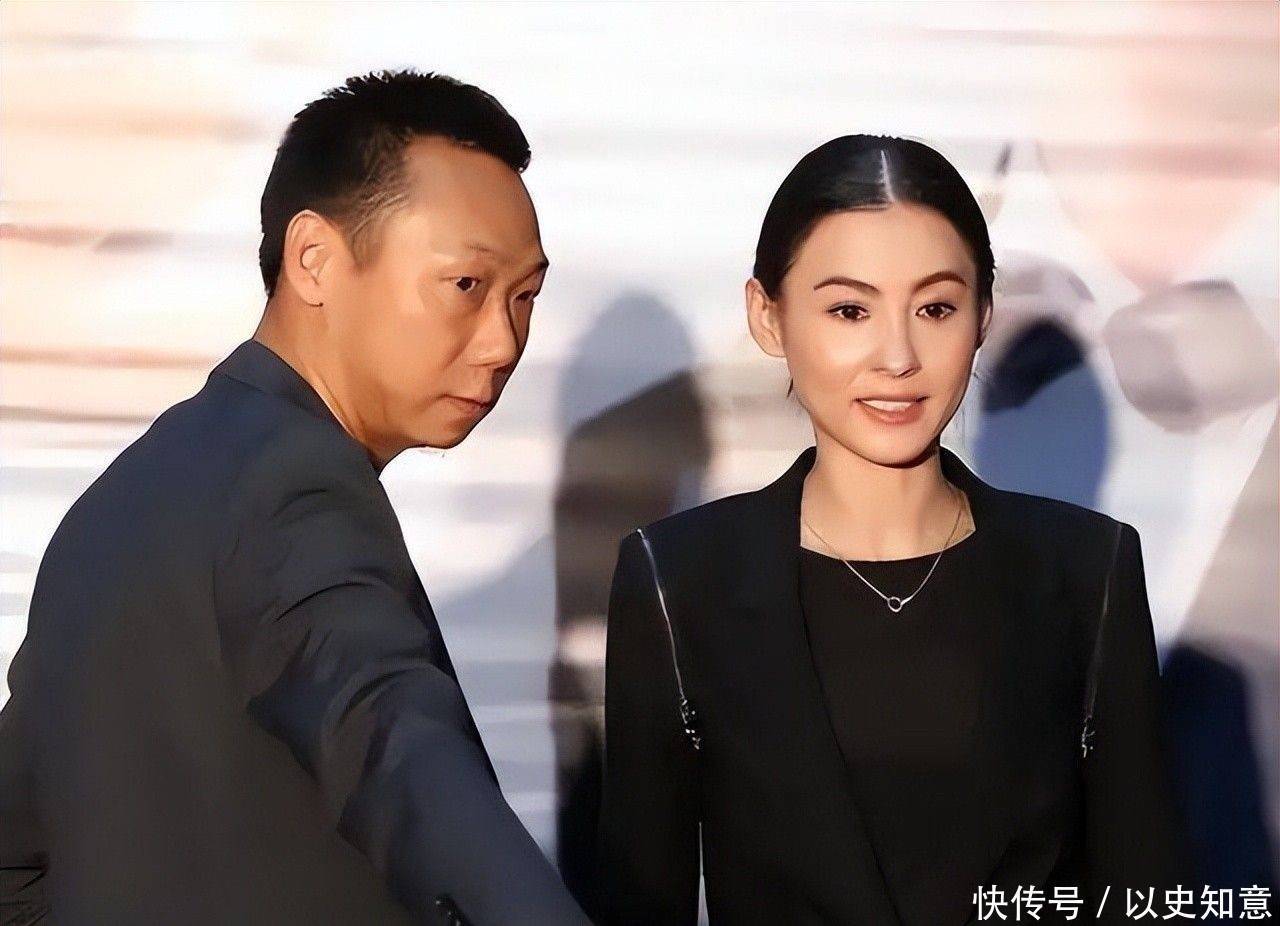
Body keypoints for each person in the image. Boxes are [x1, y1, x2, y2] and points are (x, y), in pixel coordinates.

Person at [0, 69, 588, 925]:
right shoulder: (294, 486)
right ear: (314, 259)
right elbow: (392, 742)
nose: (502, 341)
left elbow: (16, 860)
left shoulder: (118, 502)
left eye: (525, 297)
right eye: (466, 285)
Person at [597, 135, 1191, 925]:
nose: (899, 356)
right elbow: (641, 903)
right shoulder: (678, 583)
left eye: (935, 308)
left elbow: (1147, 894)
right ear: (767, 317)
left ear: (982, 315)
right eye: (850, 310)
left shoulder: (1090, 570)